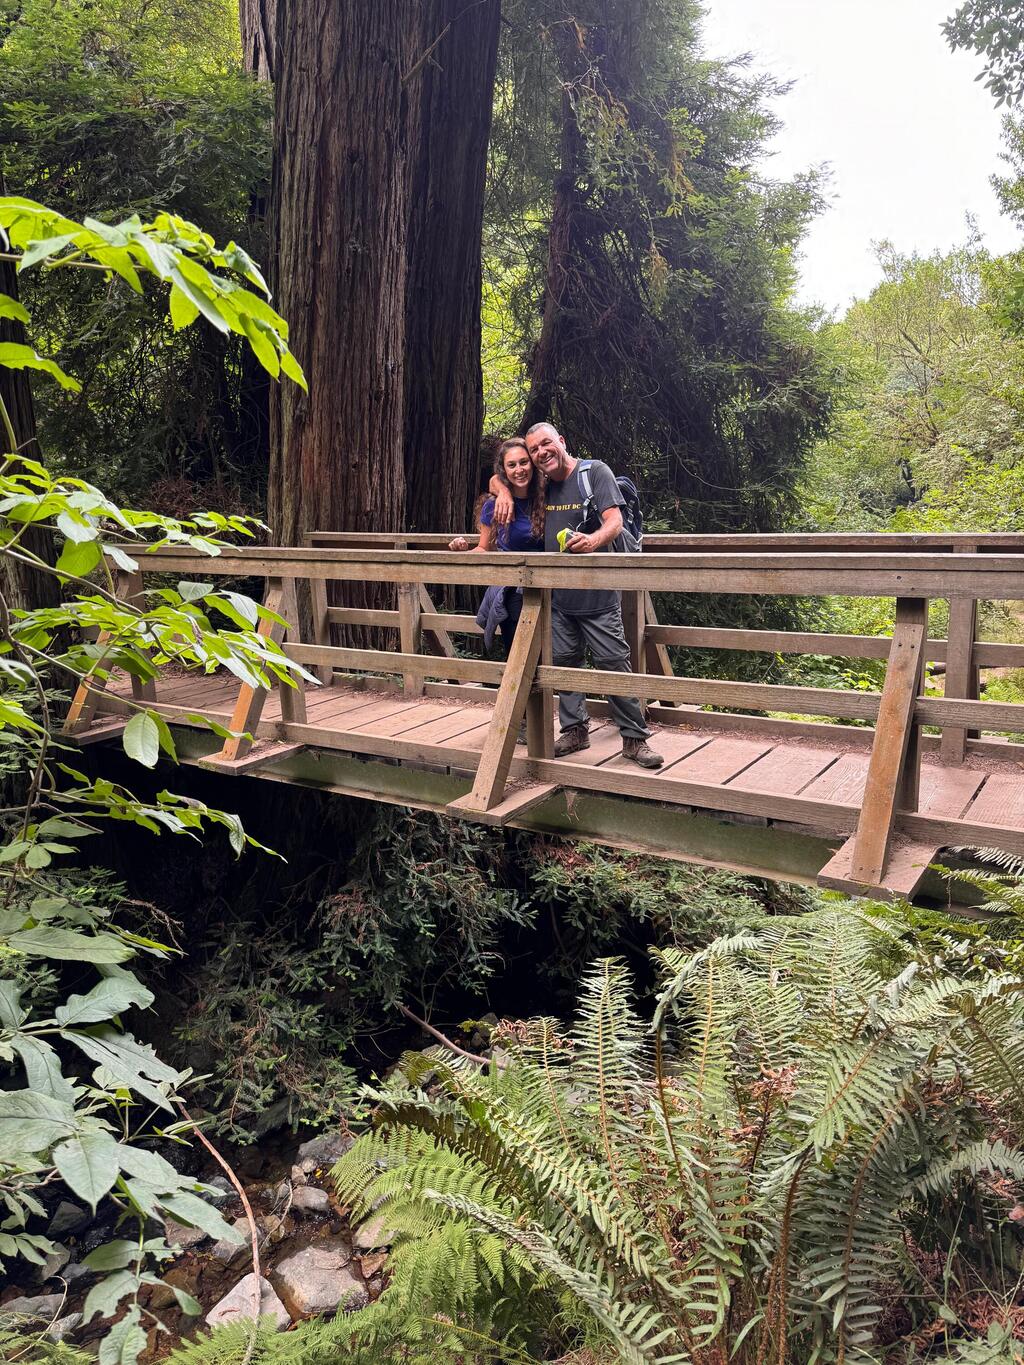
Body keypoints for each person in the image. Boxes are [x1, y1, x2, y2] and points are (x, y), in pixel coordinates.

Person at [490, 422, 663, 769]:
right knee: (565, 665)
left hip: (597, 594)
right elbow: (501, 477)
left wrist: (594, 541)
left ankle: (634, 738)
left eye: (545, 444)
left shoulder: (593, 472)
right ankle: (574, 730)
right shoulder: (541, 481)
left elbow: (613, 521)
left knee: (614, 662)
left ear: (561, 441)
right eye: (534, 449)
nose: (540, 453)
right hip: (559, 598)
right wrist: (504, 492)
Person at [449, 437, 545, 655]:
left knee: (554, 653)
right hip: (513, 591)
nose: (519, 470)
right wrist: (461, 550)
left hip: (551, 588)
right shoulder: (493, 506)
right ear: (503, 470)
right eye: (512, 465)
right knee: (521, 654)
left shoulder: (548, 496)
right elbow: (484, 549)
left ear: (533, 463)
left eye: (524, 462)